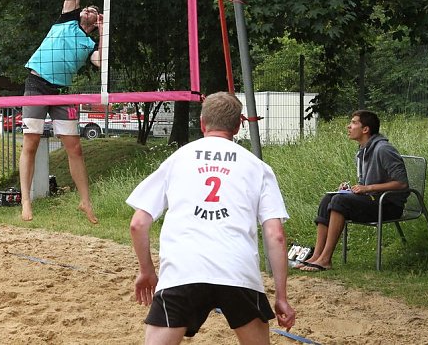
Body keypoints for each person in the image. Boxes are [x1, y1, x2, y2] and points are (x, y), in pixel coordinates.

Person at [127, 92, 295, 344]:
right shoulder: (257, 166)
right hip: (238, 270)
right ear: (239, 125)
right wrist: (281, 296)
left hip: (183, 270)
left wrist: (147, 271)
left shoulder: (177, 159)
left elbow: (138, 223)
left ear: (203, 123)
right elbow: (276, 235)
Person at [19, 0, 103, 224]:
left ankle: (85, 202)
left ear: (97, 19)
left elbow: (102, 63)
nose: (88, 9)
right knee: (30, 142)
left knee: (75, 147)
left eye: (93, 10)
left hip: (62, 92)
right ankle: (26, 202)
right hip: (36, 84)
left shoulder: (91, 44)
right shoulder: (66, 19)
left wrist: (103, 32)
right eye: (86, 7)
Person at [297, 109, 408, 272]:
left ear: (366, 129)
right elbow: (367, 183)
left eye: (354, 123)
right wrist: (351, 189)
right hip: (373, 200)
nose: (348, 126)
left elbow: (402, 183)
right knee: (329, 198)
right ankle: (317, 256)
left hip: (388, 205)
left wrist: (368, 188)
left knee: (340, 202)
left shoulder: (383, 149)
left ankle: (326, 259)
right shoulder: (363, 151)